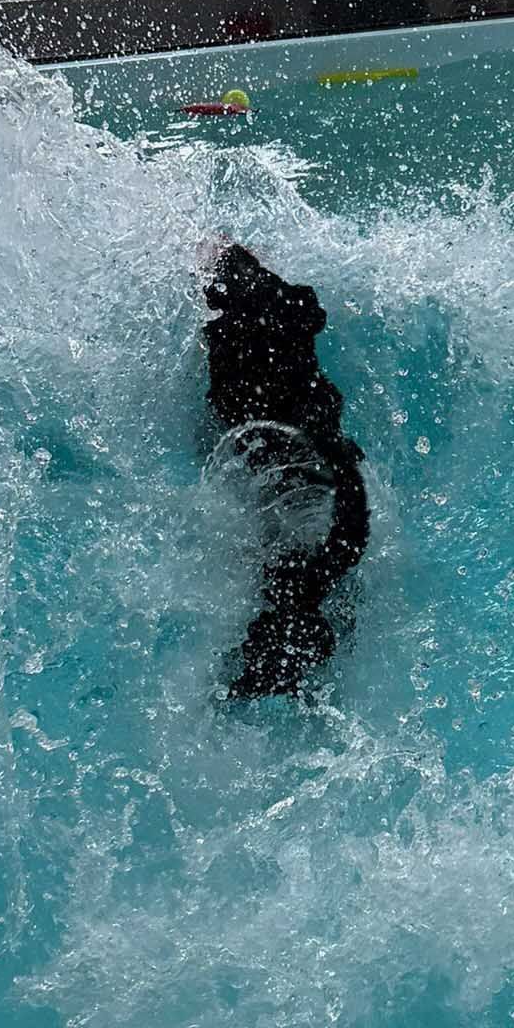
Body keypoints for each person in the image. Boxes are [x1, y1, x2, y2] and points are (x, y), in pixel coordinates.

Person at [199, 239, 370, 698]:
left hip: (294, 452)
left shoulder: (232, 342)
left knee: (297, 562)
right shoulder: (285, 310)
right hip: (310, 448)